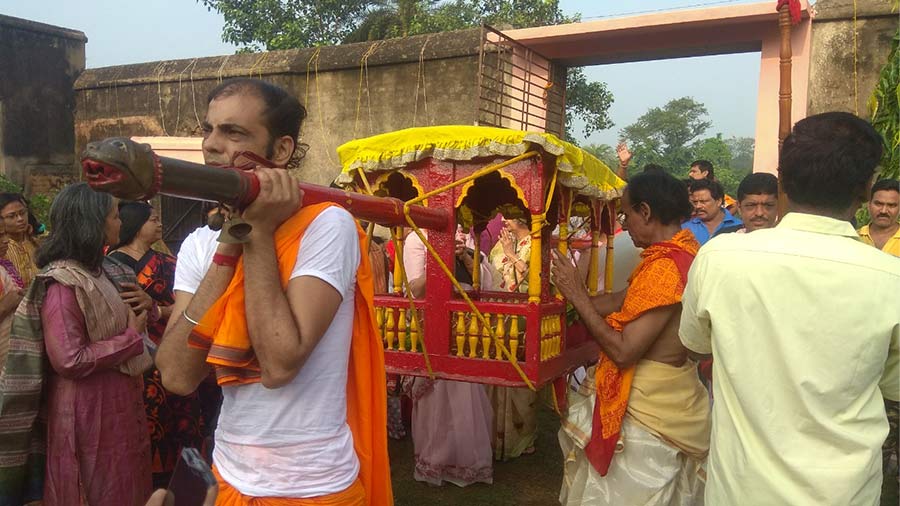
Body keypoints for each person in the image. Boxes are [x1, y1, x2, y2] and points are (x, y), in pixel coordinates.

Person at [154, 78, 391, 505]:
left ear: (280, 151)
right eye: (208, 129)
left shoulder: (326, 224)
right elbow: (176, 375)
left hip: (313, 485)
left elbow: (280, 364)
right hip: (226, 475)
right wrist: (229, 244)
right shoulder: (199, 244)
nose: (211, 144)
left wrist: (257, 232)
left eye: (233, 132)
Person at [679, 112, 900, 505]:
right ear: (867, 189)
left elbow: (695, 345)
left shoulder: (719, 259)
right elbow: (893, 384)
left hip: (739, 491)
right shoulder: (890, 279)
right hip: (844, 494)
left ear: (783, 181)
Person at [551, 171, 710, 505]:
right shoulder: (675, 254)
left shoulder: (666, 268)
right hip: (669, 396)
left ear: (647, 212)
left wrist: (577, 297)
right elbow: (619, 300)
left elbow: (624, 352)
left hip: (650, 414)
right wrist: (566, 295)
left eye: (626, 214)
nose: (625, 222)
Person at [0, 182, 154, 505]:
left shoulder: (104, 271)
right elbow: (68, 358)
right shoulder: (62, 282)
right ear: (92, 223)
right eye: (114, 215)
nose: (120, 223)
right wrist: (129, 338)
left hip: (118, 410)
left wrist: (148, 308)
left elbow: (131, 315)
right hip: (87, 415)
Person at [108, 201, 220, 489]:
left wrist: (155, 308)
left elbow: (192, 306)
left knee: (182, 416)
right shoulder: (107, 266)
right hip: (130, 354)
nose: (158, 225)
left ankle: (183, 481)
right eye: (152, 220)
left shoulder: (169, 262)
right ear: (134, 225)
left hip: (175, 348)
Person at [403, 227, 494, 486]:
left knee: (466, 388)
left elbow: (485, 285)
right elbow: (415, 289)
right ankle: (437, 459)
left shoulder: (465, 236)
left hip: (465, 326)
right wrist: (439, 258)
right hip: (434, 323)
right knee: (438, 391)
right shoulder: (415, 239)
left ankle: (467, 459)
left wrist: (465, 256)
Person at [487, 217, 539, 460]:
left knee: (520, 377)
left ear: (521, 218)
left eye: (508, 216)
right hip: (499, 317)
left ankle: (522, 438)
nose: (503, 221)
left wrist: (513, 255)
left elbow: (539, 279)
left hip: (524, 320)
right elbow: (490, 273)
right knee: (495, 373)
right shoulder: (500, 245)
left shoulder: (537, 244)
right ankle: (494, 437)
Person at [681, 178, 741, 245]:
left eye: (703, 201)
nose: (698, 206)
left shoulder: (740, 227)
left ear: (719, 201)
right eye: (695, 202)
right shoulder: (685, 229)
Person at [0, 220, 25, 369]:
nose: (5, 240)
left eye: (5, 234)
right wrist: (4, 306)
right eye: (0, 235)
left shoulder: (4, 266)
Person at [0, 193, 39, 287]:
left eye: (22, 213)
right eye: (11, 216)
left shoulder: (37, 242)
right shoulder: (2, 248)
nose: (20, 219)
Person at [859, 178, 900, 256]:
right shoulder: (855, 237)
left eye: (891, 205)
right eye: (878, 204)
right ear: (869, 205)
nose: (883, 211)